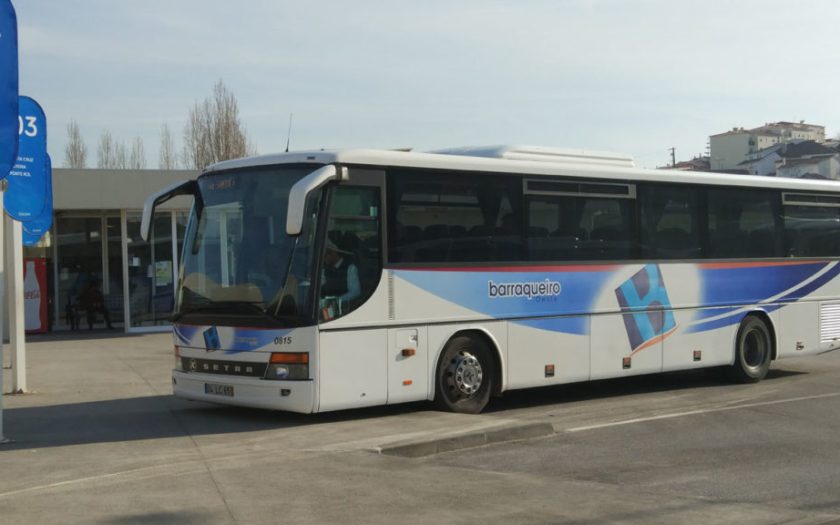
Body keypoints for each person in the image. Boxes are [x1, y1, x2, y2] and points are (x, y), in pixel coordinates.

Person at [320, 239, 360, 317]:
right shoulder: (325, 269)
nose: (323, 259)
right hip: (326, 310)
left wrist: (336, 301)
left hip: (344, 312)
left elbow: (356, 291)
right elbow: (321, 285)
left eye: (325, 255)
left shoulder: (350, 267)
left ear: (334, 253)